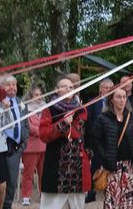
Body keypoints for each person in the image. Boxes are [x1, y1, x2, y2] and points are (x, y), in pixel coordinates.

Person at [39, 76, 91, 209]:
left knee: (77, 205)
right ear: (56, 90)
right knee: (51, 205)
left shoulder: (81, 109)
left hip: (77, 168)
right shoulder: (49, 109)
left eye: (71, 87)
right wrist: (62, 123)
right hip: (57, 167)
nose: (69, 88)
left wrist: (89, 152)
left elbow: (86, 133)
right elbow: (44, 135)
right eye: (64, 86)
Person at [93, 87, 133, 209]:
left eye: (124, 97)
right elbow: (96, 141)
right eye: (118, 97)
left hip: (131, 165)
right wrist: (105, 158)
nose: (122, 100)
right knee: (113, 198)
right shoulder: (103, 118)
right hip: (113, 165)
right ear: (111, 100)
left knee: (130, 198)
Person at [0, 74, 29, 209]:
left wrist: (24, 142)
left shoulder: (21, 102)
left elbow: (26, 124)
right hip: (0, 146)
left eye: (14, 84)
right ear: (2, 87)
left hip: (16, 148)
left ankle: (7, 206)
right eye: (8, 84)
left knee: (12, 181)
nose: (12, 87)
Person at [85, 78, 114, 203]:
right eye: (105, 87)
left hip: (111, 141)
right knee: (94, 166)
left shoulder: (116, 101)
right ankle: (91, 192)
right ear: (100, 89)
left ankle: (111, 192)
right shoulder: (92, 102)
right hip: (95, 141)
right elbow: (88, 122)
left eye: (110, 88)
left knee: (111, 167)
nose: (107, 90)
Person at [21, 85, 46, 207]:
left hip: (45, 146)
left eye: (40, 94)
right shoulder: (25, 109)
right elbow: (29, 128)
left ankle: (44, 195)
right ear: (30, 96)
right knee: (28, 174)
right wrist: (43, 131)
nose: (39, 97)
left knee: (44, 173)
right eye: (36, 95)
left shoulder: (45, 108)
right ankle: (26, 196)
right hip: (31, 148)